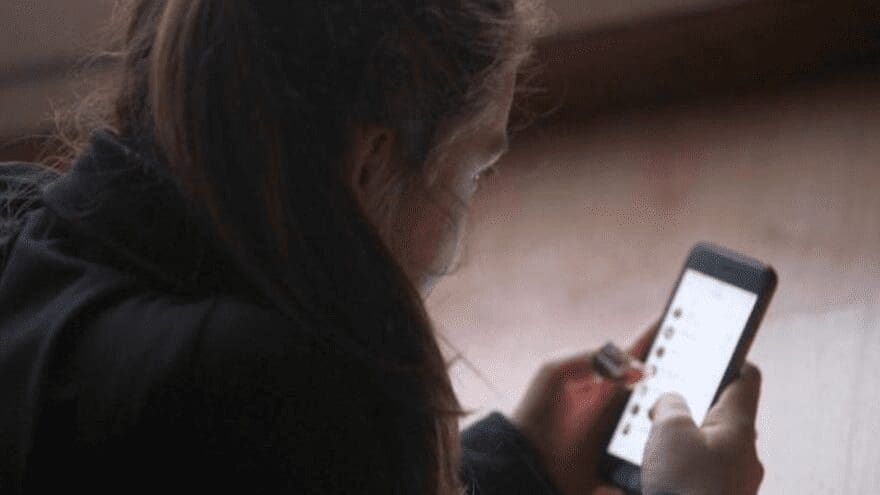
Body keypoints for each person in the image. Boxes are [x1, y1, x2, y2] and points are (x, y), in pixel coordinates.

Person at [0, 1, 764, 494]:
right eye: (474, 167)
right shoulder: (284, 392)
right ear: (371, 164)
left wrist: (518, 460)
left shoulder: (24, 211)